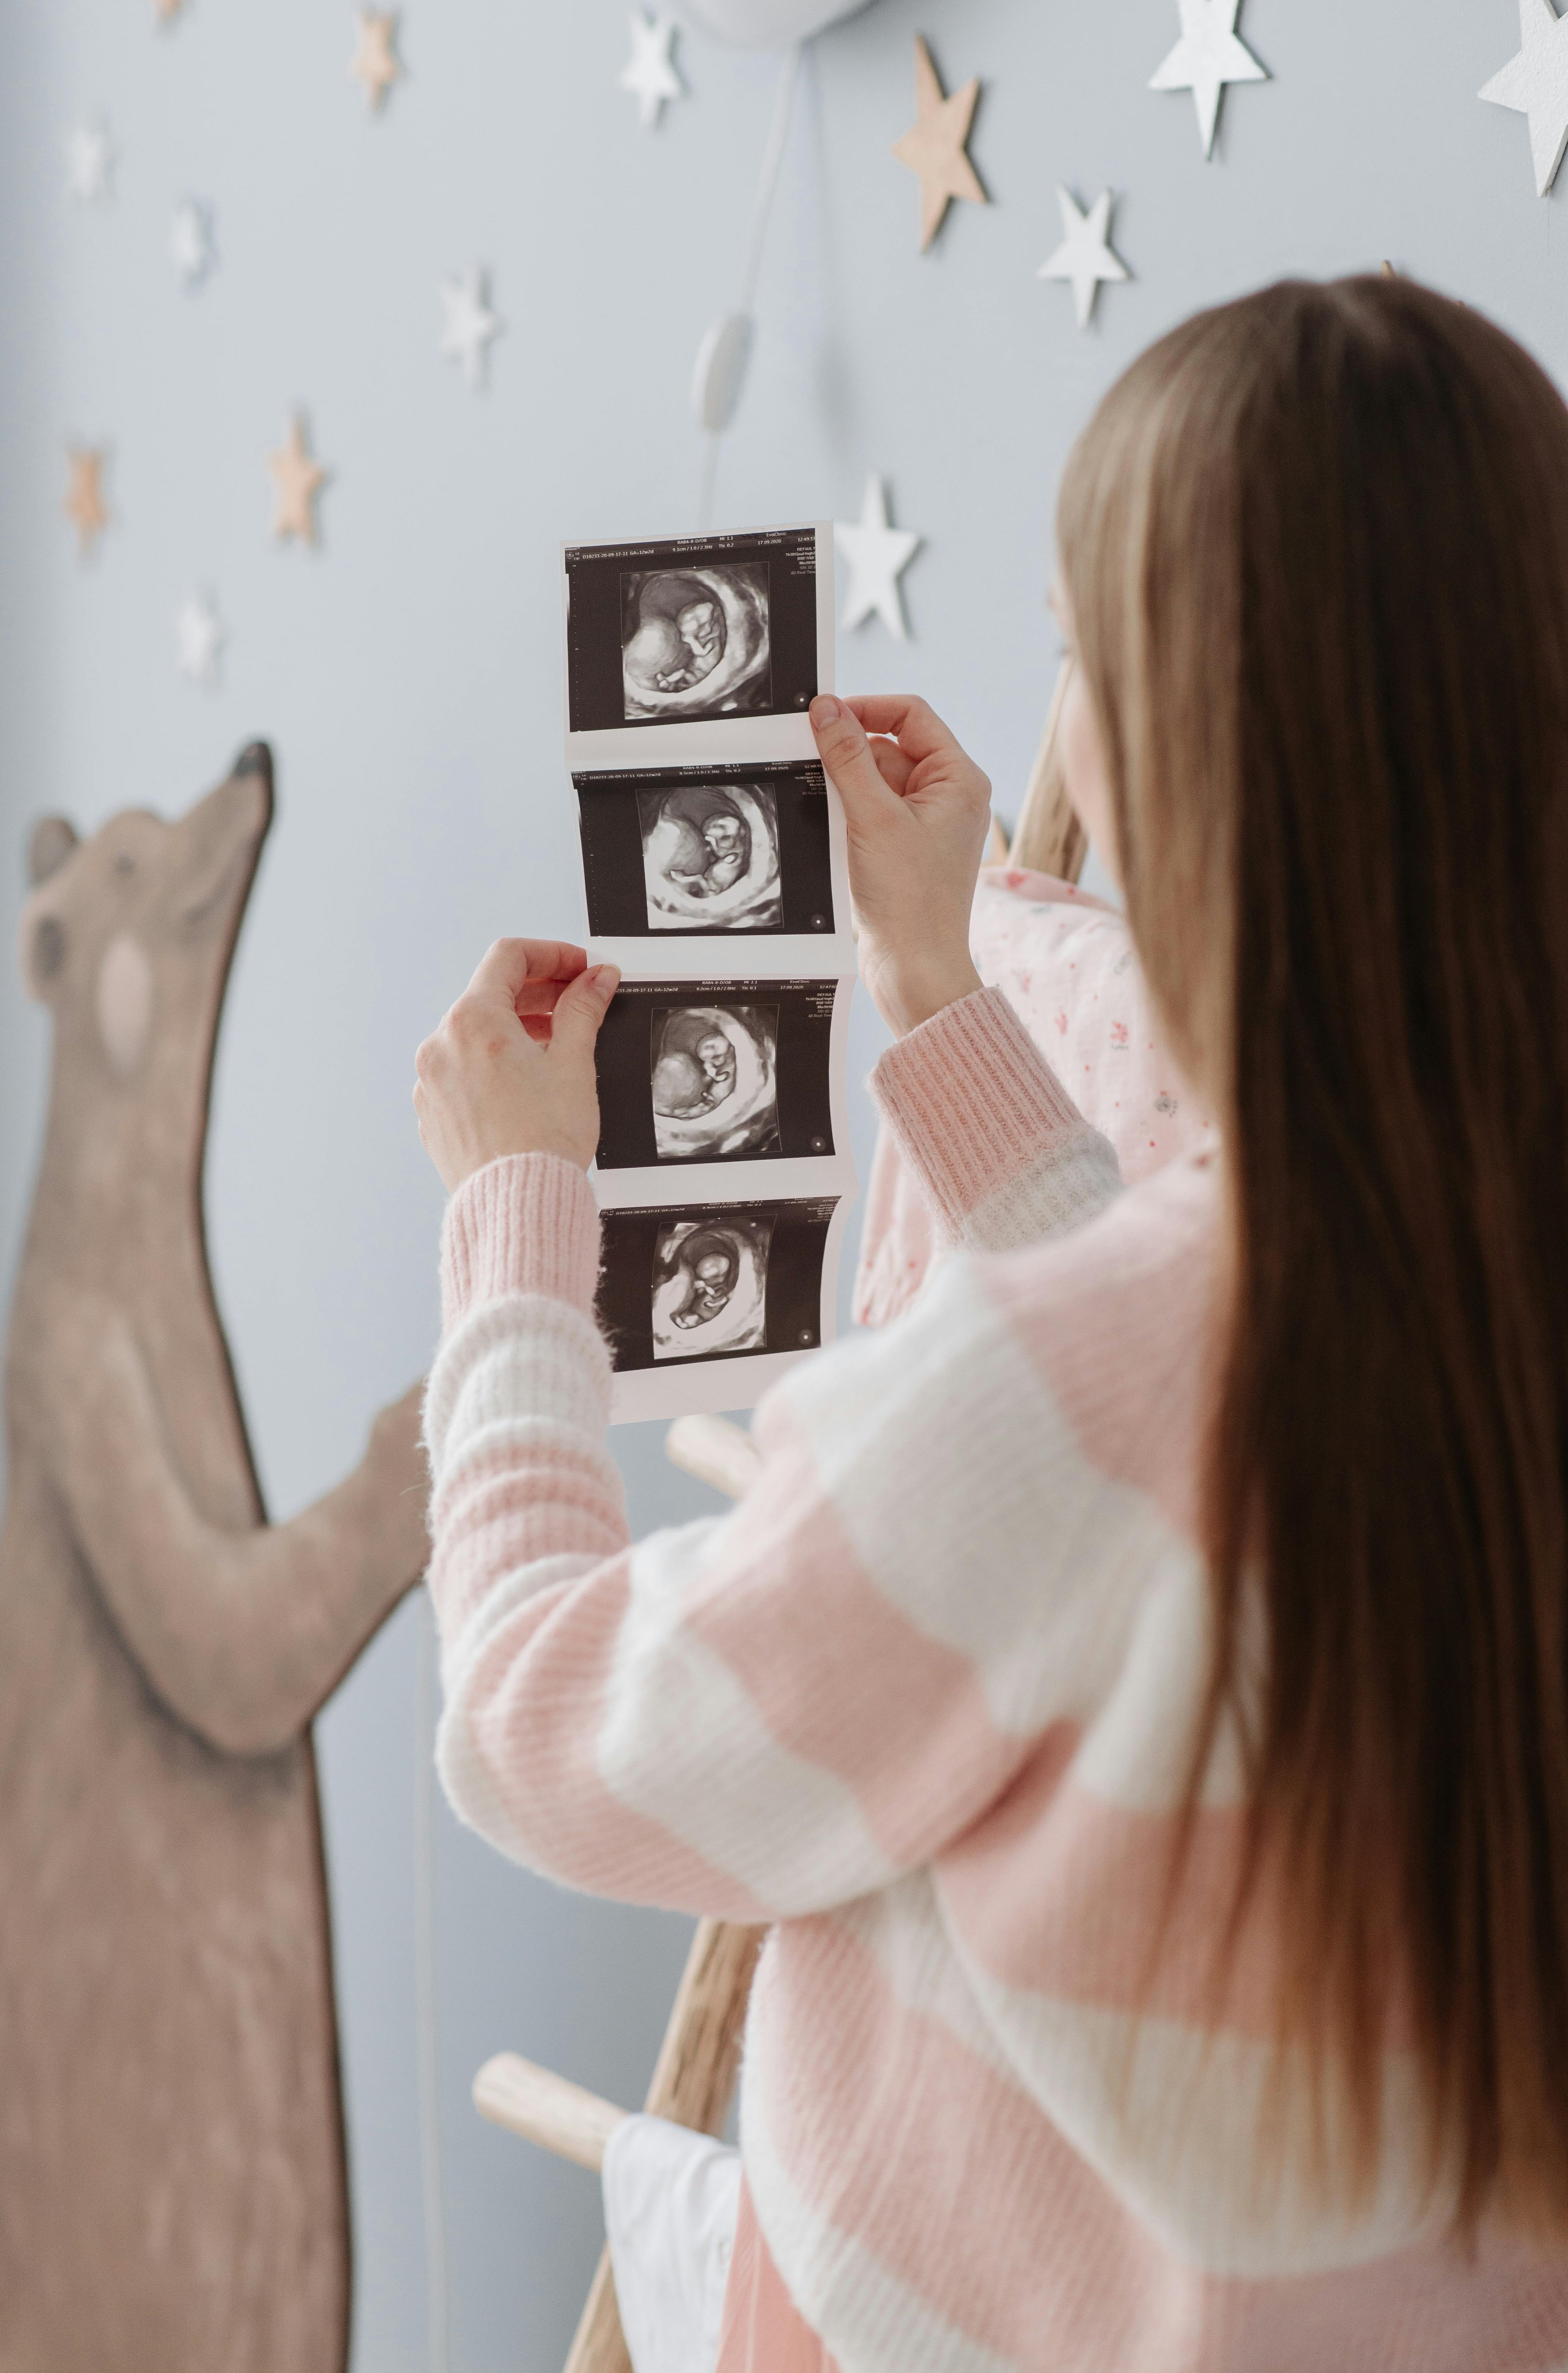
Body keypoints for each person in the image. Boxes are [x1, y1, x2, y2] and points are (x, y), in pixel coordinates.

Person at [413, 277, 1568, 2370]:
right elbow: (1163, 1454)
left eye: (1075, 654)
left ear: (1184, 737)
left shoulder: (1117, 1379)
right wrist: (937, 986)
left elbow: (552, 1721)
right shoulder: (1458, 1287)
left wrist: (514, 1222)